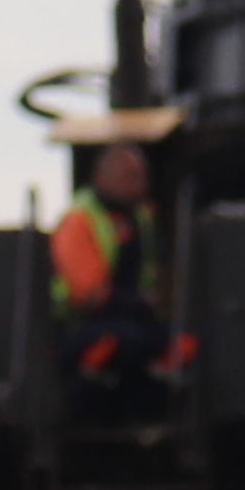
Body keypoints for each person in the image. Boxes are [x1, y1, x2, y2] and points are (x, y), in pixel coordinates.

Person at [48, 141, 191, 398]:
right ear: (101, 178)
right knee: (124, 343)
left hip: (136, 318)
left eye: (142, 178)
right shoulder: (79, 221)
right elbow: (88, 295)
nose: (140, 186)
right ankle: (91, 389)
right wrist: (141, 302)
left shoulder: (142, 217)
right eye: (130, 178)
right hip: (83, 325)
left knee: (186, 342)